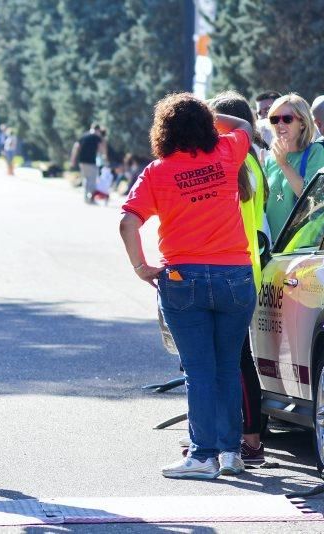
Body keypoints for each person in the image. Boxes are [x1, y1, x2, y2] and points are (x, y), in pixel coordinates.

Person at [119, 93, 254, 479]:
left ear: (163, 131)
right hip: (235, 275)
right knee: (228, 367)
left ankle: (202, 456)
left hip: (183, 278)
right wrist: (208, 114)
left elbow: (128, 222)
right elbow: (246, 126)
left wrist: (141, 267)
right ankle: (231, 453)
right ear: (207, 126)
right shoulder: (227, 153)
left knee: (199, 370)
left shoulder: (157, 172)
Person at [207, 90, 270, 466]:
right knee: (234, 358)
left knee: (236, 360)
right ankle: (236, 436)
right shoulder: (248, 160)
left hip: (235, 265)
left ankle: (250, 439)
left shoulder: (234, 162)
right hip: (245, 264)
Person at [264, 94, 324, 240]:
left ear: (302, 123)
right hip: (272, 247)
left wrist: (284, 164)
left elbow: (312, 199)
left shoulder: (316, 152)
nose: (280, 124)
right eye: (275, 119)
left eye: (287, 119)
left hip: (301, 247)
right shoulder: (270, 160)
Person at [70, 124, 107, 204]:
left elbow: (76, 147)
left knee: (86, 179)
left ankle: (86, 197)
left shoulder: (83, 136)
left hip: (82, 161)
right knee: (92, 180)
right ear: (97, 130)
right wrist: (104, 156)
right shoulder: (97, 138)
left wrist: (73, 160)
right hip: (91, 162)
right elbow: (101, 148)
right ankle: (91, 199)